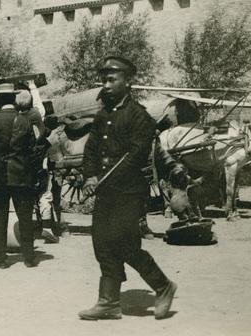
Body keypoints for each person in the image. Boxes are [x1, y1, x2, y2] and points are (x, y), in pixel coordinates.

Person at [79, 56, 177, 321]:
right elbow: (91, 149)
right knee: (101, 243)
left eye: (112, 80)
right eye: (104, 80)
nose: (106, 85)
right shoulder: (103, 115)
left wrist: (103, 180)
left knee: (125, 244)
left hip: (129, 192)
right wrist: (89, 176)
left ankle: (163, 286)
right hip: (105, 192)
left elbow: (134, 157)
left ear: (128, 81)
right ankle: (109, 302)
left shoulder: (139, 117)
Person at [0, 83, 39, 269]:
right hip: (22, 176)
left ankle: (1, 258)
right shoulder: (25, 121)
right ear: (14, 100)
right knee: (25, 217)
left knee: (0, 217)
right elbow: (32, 152)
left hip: (0, 178)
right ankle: (29, 258)